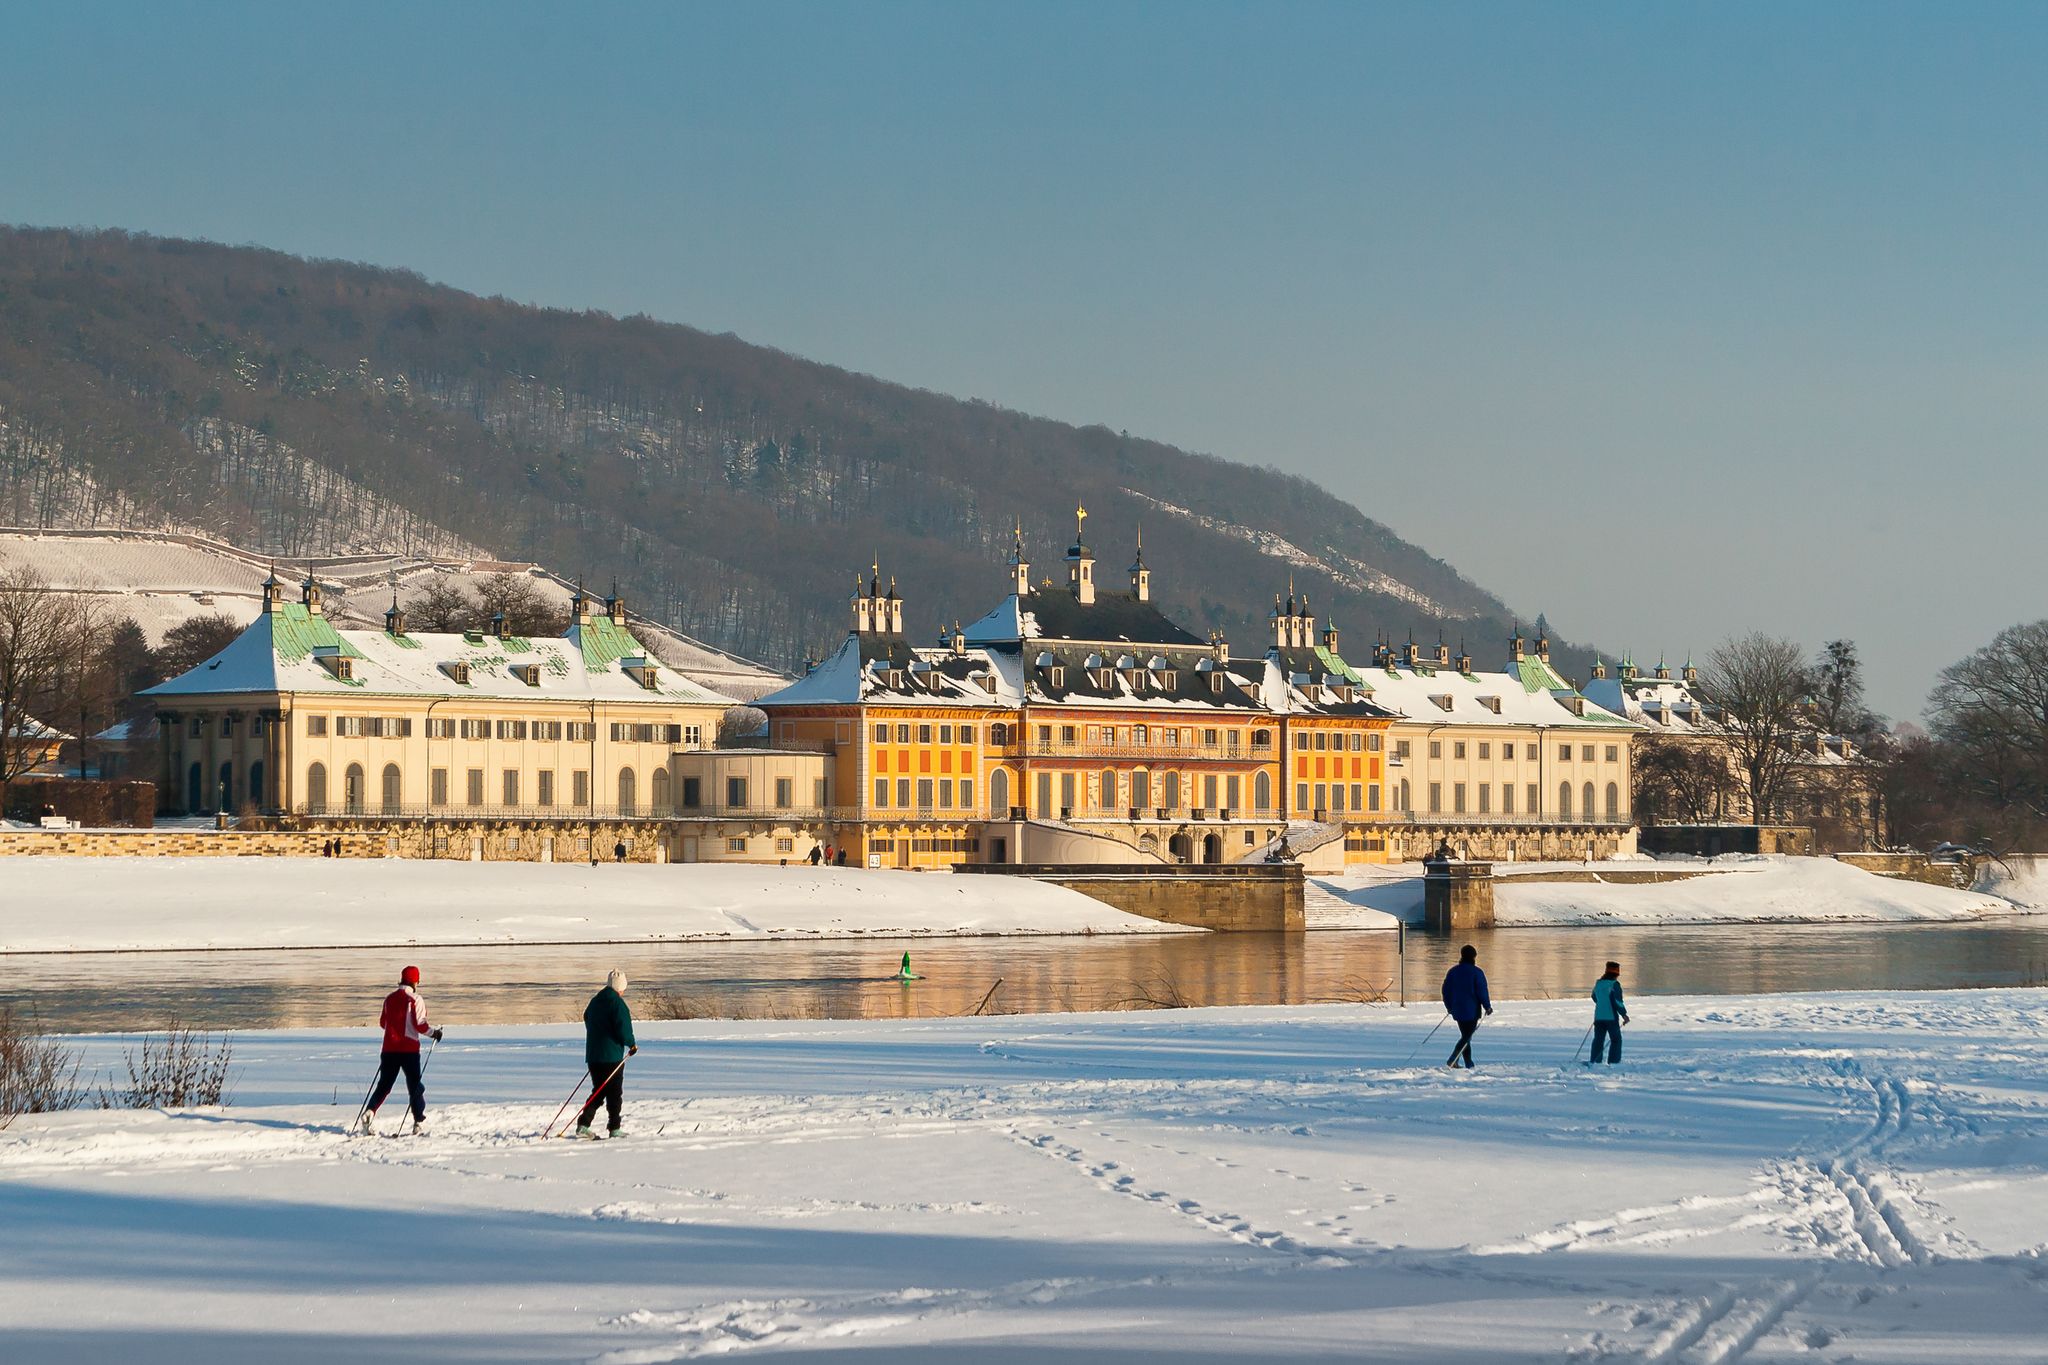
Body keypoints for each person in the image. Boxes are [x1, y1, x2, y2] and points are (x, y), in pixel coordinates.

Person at [361, 965, 443, 1135]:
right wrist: (435, 1033)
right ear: (415, 981)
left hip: (389, 1049)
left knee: (384, 1086)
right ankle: (418, 1122)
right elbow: (420, 1026)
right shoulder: (416, 999)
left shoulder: (389, 999)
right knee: (414, 1086)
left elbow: (383, 1023)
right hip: (409, 1050)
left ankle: (370, 1111)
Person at [575, 968, 638, 1139]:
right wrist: (631, 1044)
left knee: (599, 1091)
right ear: (620, 987)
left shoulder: (595, 1001)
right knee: (614, 1093)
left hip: (594, 1056)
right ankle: (614, 1128)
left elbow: (586, 1017)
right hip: (612, 1057)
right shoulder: (617, 1004)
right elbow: (623, 1029)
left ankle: (584, 1124)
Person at [1439, 944, 1492, 1069]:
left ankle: (1468, 1063)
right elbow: (1481, 991)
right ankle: (1453, 1059)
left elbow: (1446, 990)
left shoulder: (1453, 971)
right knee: (1466, 1036)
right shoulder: (1477, 972)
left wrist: (1449, 1006)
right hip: (1472, 1010)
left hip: (1457, 1009)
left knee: (1466, 1036)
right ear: (1474, 957)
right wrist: (1487, 1006)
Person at [1590, 960, 1629, 1064]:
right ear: (1617, 973)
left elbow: (1594, 997)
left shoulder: (1598, 983)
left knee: (1598, 1040)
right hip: (1611, 1017)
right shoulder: (1614, 985)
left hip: (1598, 1016)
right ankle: (1613, 1062)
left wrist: (1602, 1004)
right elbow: (1617, 1002)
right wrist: (1624, 1014)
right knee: (1616, 1040)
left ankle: (1595, 1061)